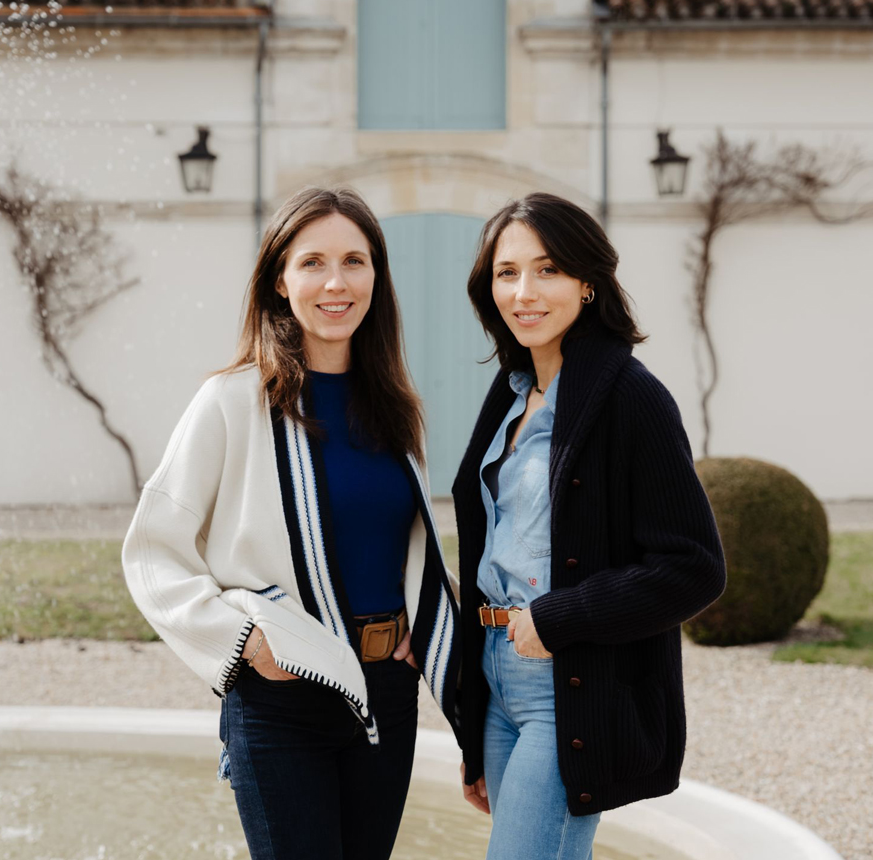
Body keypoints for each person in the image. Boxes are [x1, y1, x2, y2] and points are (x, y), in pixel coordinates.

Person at [122, 186, 460, 860]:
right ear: (280, 280)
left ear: (376, 277)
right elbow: (153, 554)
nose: (336, 282)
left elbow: (406, 545)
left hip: (387, 697)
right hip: (282, 698)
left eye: (354, 261)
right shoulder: (230, 402)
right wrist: (244, 640)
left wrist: (424, 626)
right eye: (312, 263)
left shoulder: (396, 409)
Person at [451, 192, 727, 859]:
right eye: (506, 273)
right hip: (496, 676)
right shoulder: (512, 392)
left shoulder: (631, 397)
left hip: (566, 684)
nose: (524, 292)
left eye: (547, 270)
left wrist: (560, 617)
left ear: (587, 281)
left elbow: (693, 566)